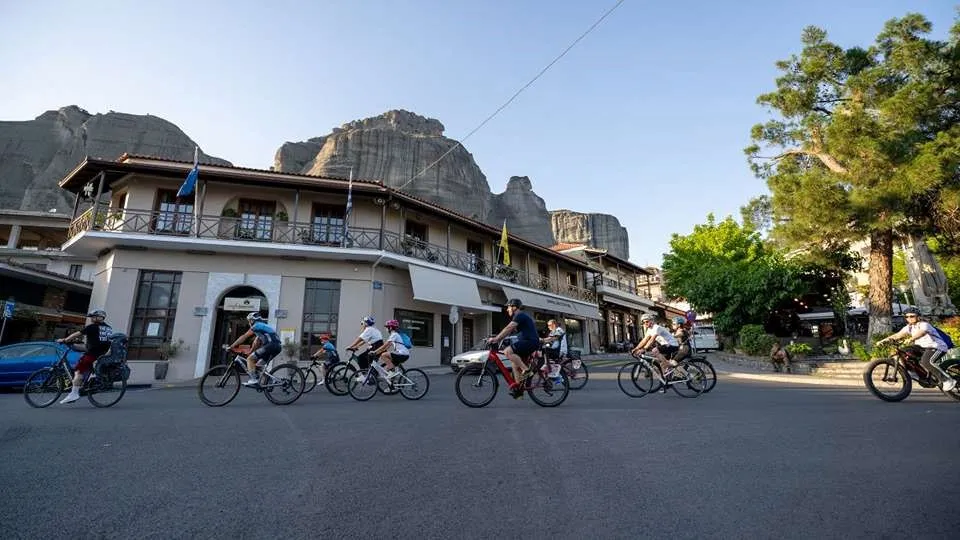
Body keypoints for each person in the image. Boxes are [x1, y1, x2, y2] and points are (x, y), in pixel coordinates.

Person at [877, 308, 955, 391]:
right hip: (921, 347)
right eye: (907, 317)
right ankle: (917, 374)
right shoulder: (909, 327)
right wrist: (882, 341)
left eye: (912, 316)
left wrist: (911, 339)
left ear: (918, 316)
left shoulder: (924, 324)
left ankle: (947, 380)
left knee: (926, 362)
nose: (909, 318)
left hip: (936, 347)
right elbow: (897, 335)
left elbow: (922, 333)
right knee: (904, 351)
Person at [56, 309, 114, 404]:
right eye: (91, 317)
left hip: (92, 354)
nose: (91, 319)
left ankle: (74, 394)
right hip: (102, 355)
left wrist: (65, 340)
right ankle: (86, 384)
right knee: (87, 368)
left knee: (79, 371)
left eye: (93, 317)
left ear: (100, 317)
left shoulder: (92, 327)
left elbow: (77, 334)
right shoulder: (109, 328)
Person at [487, 298, 540, 396]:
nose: (507, 309)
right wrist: (500, 338)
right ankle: (519, 390)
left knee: (507, 352)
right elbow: (509, 331)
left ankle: (527, 371)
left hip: (530, 342)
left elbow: (508, 328)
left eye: (508, 307)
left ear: (514, 307)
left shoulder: (519, 315)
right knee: (514, 364)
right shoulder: (519, 317)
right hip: (529, 342)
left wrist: (496, 339)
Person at [226, 312, 282, 387]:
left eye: (249, 321)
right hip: (277, 347)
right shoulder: (263, 327)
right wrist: (251, 351)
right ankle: (271, 380)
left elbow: (244, 336)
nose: (249, 323)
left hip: (270, 346)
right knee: (258, 365)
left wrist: (232, 346)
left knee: (250, 359)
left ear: (252, 320)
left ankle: (253, 379)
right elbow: (256, 342)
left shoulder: (256, 326)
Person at [631, 313, 679, 379]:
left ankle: (669, 365)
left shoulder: (657, 327)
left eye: (647, 321)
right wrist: (636, 348)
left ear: (652, 321)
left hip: (672, 345)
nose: (645, 323)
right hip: (665, 346)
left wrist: (644, 349)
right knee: (661, 364)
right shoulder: (649, 330)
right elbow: (644, 340)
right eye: (644, 322)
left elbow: (652, 339)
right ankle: (666, 381)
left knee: (655, 350)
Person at [540, 319, 567, 383]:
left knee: (545, 352)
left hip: (560, 350)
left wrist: (542, 340)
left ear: (554, 325)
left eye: (549, 325)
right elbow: (550, 341)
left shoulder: (559, 330)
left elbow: (552, 338)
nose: (548, 327)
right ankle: (553, 372)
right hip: (556, 349)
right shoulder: (553, 331)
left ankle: (557, 377)